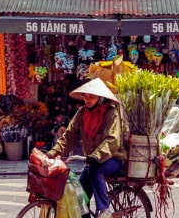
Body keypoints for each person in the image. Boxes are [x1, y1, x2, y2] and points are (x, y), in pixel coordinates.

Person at [47, 78, 125, 218]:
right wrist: (53, 153)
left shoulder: (110, 113)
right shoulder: (82, 112)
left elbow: (112, 140)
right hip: (91, 160)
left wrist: (96, 156)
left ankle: (104, 210)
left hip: (113, 158)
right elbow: (69, 136)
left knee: (96, 170)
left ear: (100, 98)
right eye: (86, 96)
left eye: (92, 97)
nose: (87, 100)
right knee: (79, 196)